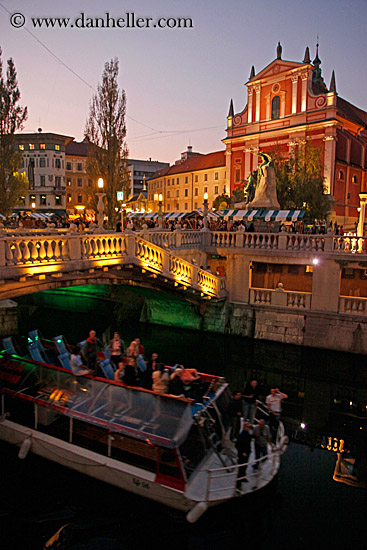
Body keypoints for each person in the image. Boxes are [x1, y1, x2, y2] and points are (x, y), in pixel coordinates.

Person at [236, 421, 252, 490]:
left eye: (249, 427)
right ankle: (238, 483)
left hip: (247, 453)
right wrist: (242, 452)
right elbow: (237, 445)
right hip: (242, 454)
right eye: (247, 427)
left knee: (245, 466)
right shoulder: (241, 435)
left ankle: (243, 477)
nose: (249, 428)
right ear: (244, 427)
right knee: (241, 468)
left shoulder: (248, 434)